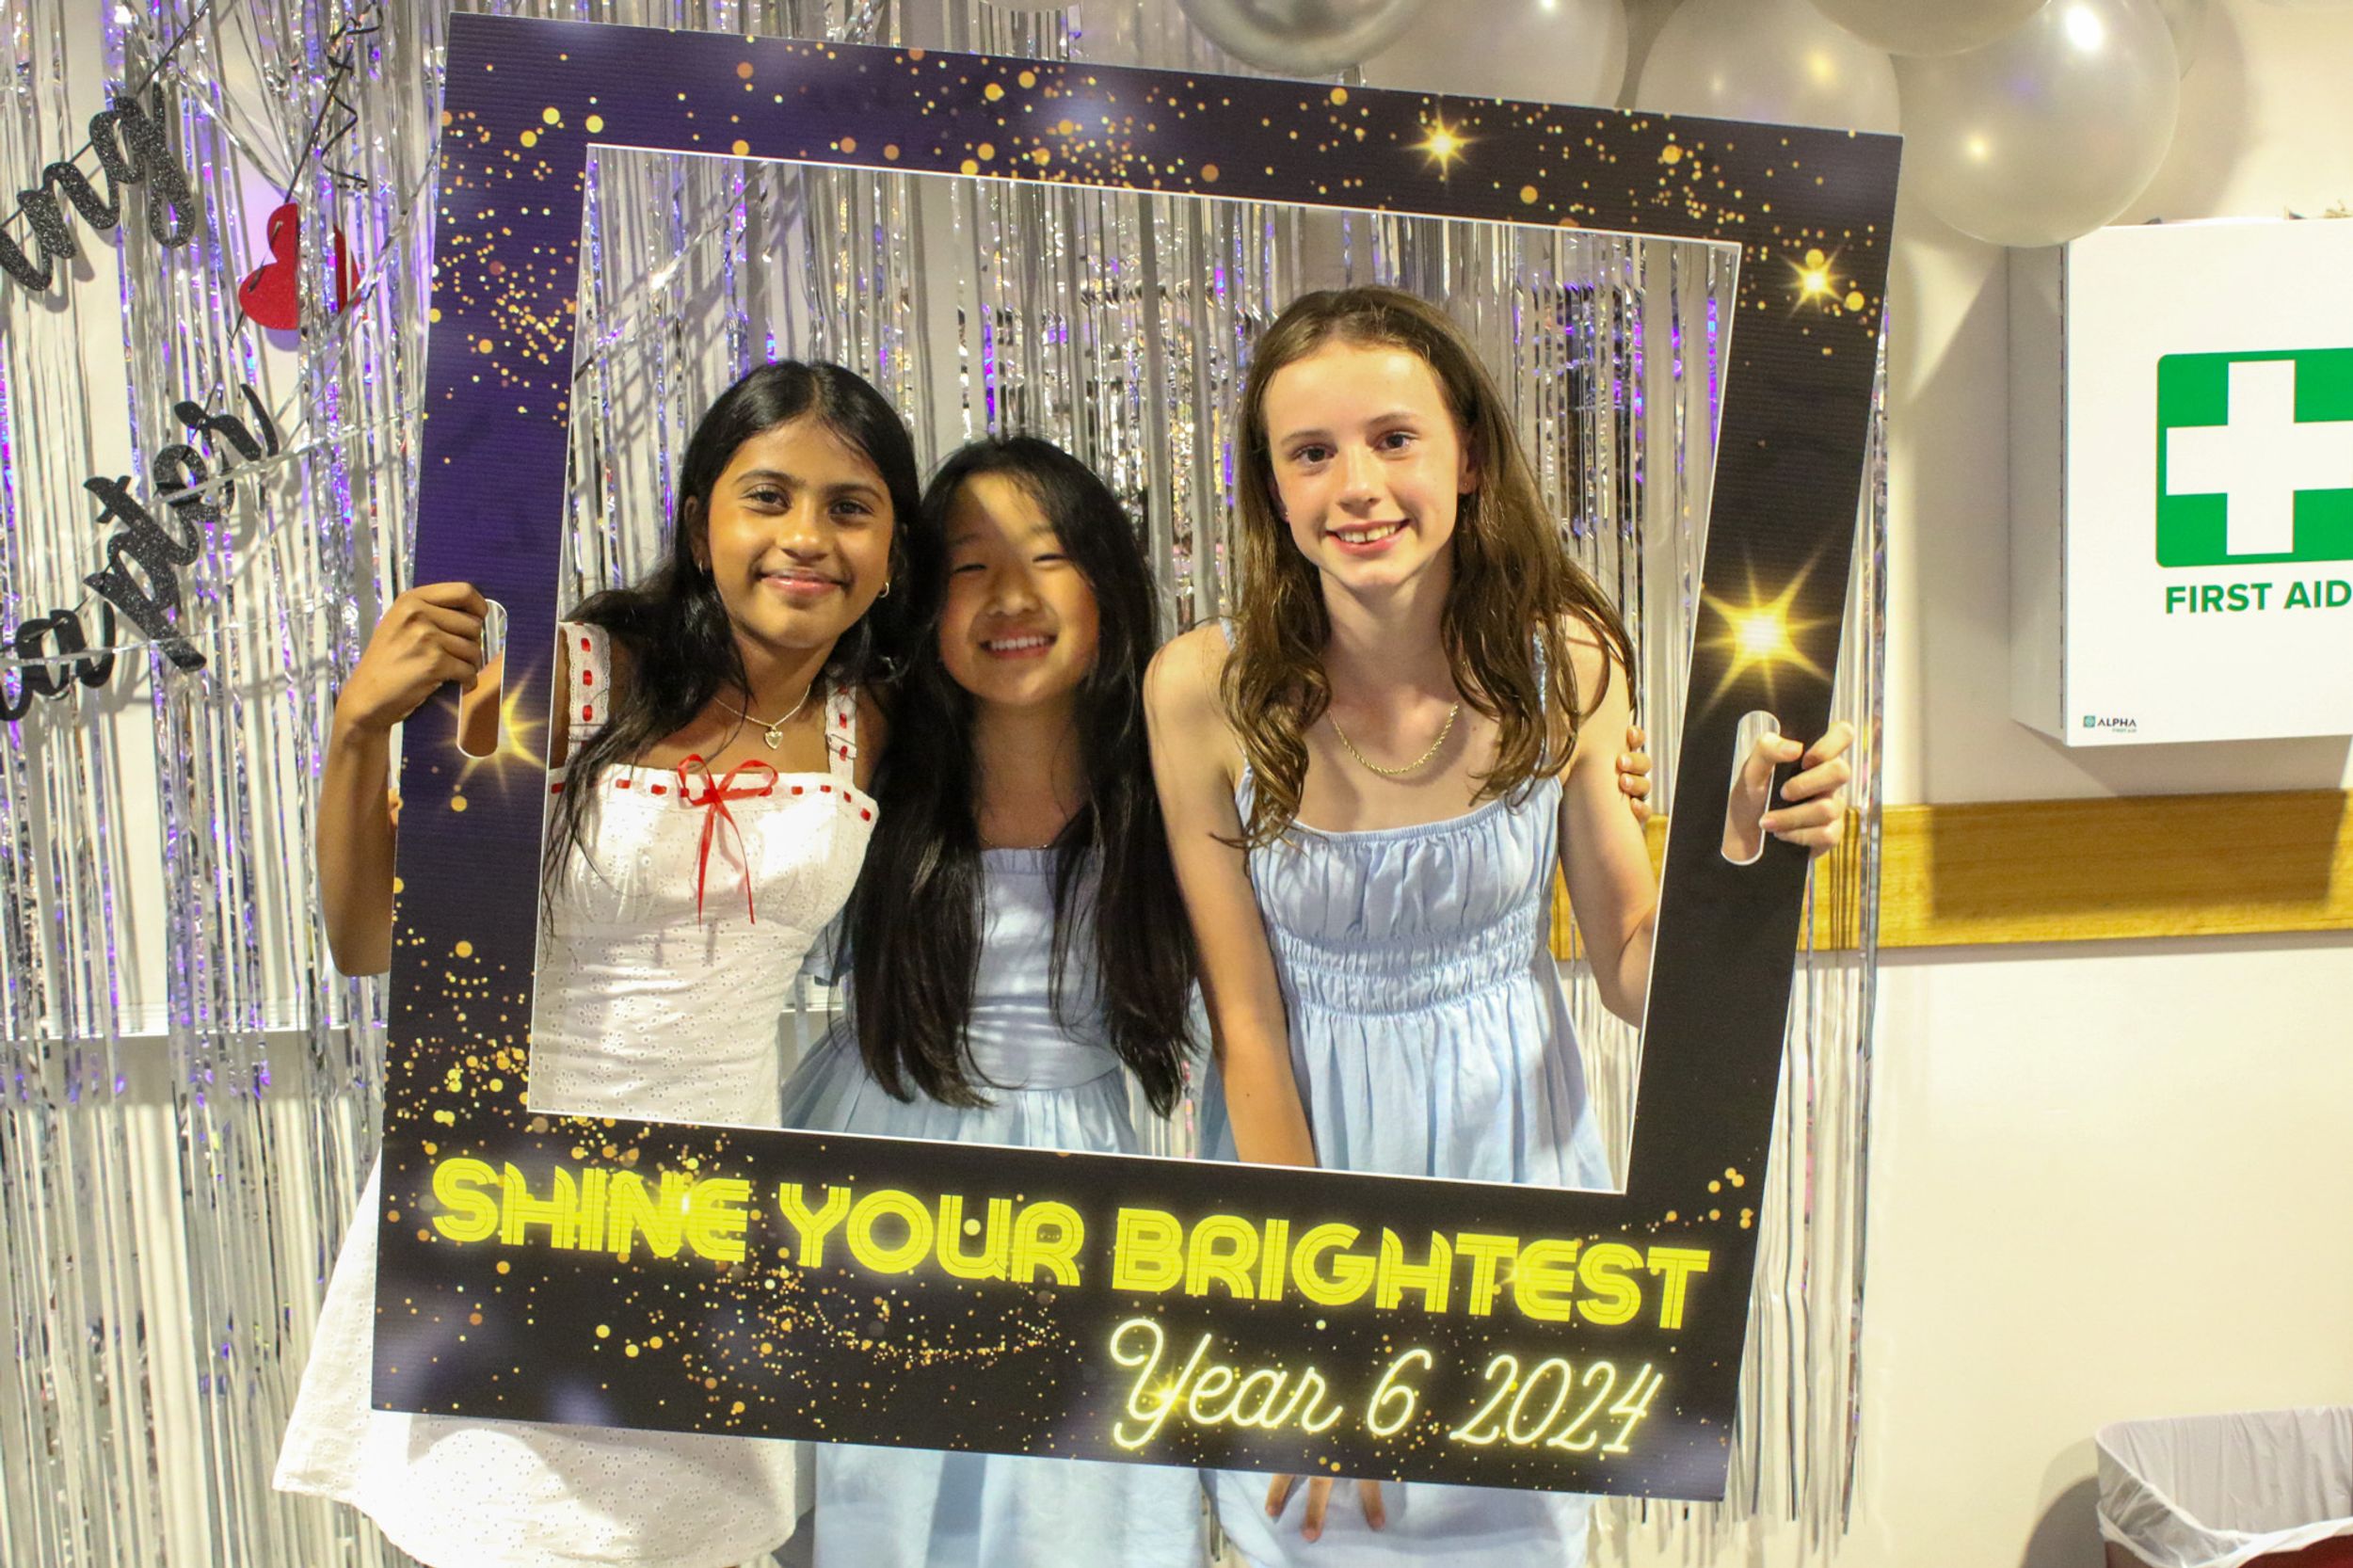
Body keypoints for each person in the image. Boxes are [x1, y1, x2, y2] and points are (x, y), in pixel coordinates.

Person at [1143, 286, 1851, 1568]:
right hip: (1300, 1193)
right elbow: (1244, 1022)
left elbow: (1632, 966)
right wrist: (1317, 1314)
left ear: (1465, 455)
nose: (1357, 486)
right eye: (1311, 453)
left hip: (1516, 1186)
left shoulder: (1566, 661)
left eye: (1392, 438)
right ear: (1273, 488)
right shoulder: (1203, 688)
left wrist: (1738, 854)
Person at [275, 360, 917, 1568]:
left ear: (890, 551)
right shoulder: (562, 678)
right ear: (700, 523)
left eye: (850, 507)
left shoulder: (870, 725)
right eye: (767, 497)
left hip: (713, 1227)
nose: (805, 536)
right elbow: (369, 942)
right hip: (512, 1201)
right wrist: (359, 727)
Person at [779, 435, 1207, 1568]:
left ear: (1108, 583)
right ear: (924, 599)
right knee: (881, 1504)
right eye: (970, 565)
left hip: (1080, 1200)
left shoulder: (1168, 779)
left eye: (1049, 556)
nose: (1012, 596)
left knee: (1073, 1518)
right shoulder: (868, 758)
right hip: (872, 1185)